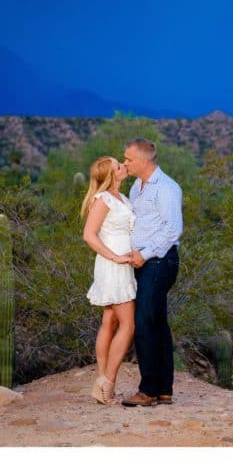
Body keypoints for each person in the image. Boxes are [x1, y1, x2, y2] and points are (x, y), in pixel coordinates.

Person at [120, 138, 183, 407]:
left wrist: (144, 254)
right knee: (157, 323)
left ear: (144, 160)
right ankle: (164, 389)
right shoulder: (136, 186)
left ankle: (147, 391)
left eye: (128, 159)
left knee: (144, 322)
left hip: (159, 262)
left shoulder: (167, 188)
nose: (125, 163)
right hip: (144, 262)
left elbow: (173, 230)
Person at [81, 156, 137, 405]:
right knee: (128, 325)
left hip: (123, 265)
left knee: (110, 320)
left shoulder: (122, 198)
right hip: (113, 265)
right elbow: (89, 236)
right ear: (112, 175)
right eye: (119, 166)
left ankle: (102, 380)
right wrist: (115, 257)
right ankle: (107, 383)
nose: (124, 166)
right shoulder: (102, 200)